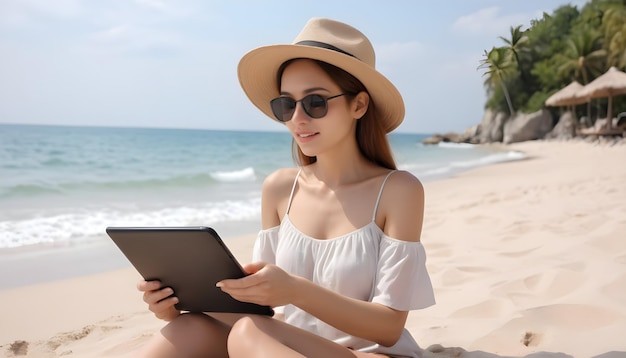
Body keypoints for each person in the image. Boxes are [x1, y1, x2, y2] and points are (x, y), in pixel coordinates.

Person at [137, 17, 435, 358]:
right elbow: (260, 310)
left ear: (359, 104)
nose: (297, 118)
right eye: (285, 104)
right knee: (187, 328)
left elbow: (388, 328)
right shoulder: (279, 189)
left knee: (248, 333)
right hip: (290, 347)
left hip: (372, 354)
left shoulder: (398, 190)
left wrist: (295, 290)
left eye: (315, 102)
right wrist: (175, 305)